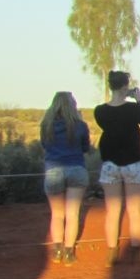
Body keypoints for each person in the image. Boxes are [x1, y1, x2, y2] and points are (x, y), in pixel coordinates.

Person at [95, 70, 140, 263]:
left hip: (110, 164)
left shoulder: (100, 111)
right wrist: (139, 101)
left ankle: (112, 251)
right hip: (134, 162)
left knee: (112, 211)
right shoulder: (133, 109)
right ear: (124, 86)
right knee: (135, 210)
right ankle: (136, 251)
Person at [40, 91, 92, 266]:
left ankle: (57, 251)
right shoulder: (80, 125)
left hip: (53, 169)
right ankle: (69, 253)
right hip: (77, 169)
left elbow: (44, 146)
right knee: (73, 214)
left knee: (57, 214)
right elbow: (86, 148)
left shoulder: (45, 125)